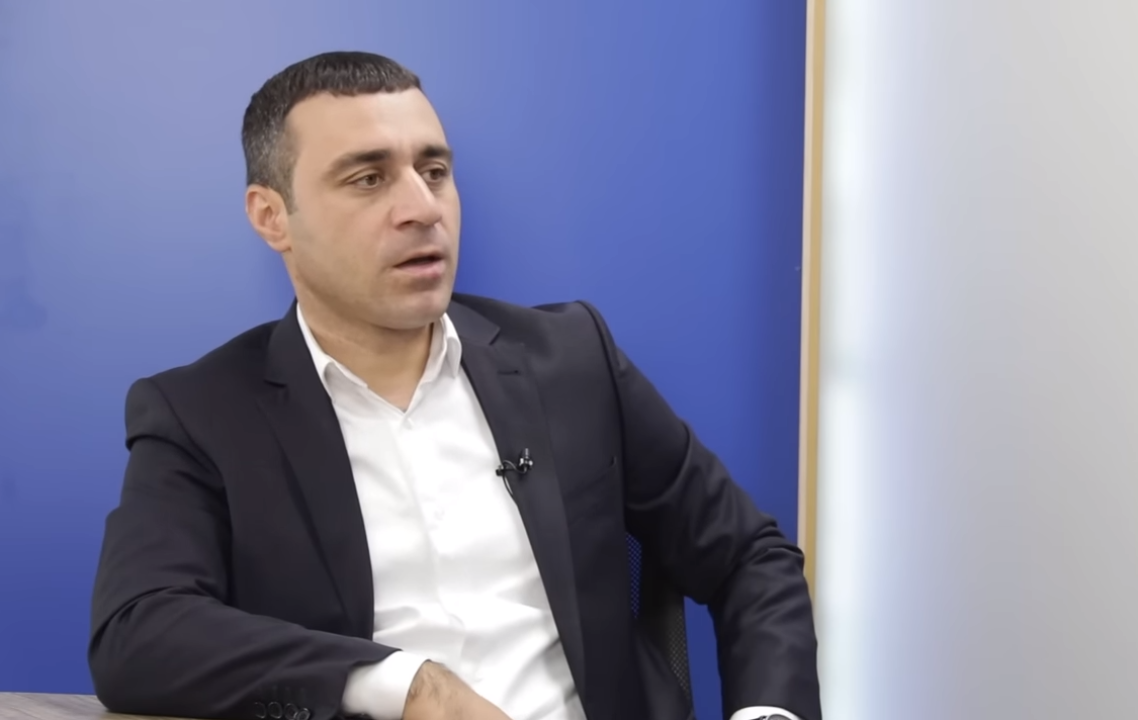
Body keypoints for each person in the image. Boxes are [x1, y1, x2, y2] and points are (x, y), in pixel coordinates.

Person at [88, 51, 821, 720]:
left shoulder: (571, 360)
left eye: (434, 171)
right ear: (272, 216)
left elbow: (748, 557)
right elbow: (138, 630)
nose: (422, 208)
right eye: (368, 178)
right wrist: (406, 684)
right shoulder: (203, 414)